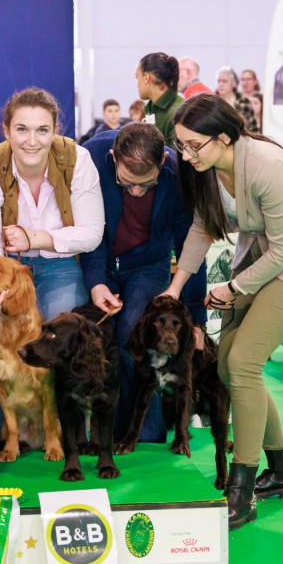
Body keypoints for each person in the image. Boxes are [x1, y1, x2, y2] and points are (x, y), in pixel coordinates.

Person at [163, 93, 283, 530]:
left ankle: (242, 490)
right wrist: (176, 287)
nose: (186, 154)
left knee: (242, 364)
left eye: (193, 145)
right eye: (180, 144)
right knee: (229, 367)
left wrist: (233, 287)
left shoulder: (269, 165)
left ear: (223, 137)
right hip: (258, 262)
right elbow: (202, 226)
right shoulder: (203, 167)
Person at [0, 86, 105, 435]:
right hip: (8, 269)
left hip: (60, 264)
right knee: (4, 349)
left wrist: (36, 238)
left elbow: (92, 233)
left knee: (60, 346)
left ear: (55, 129)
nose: (32, 141)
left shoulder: (77, 159)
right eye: (22, 129)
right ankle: (1, 438)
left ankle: (68, 437)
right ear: (6, 130)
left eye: (42, 130)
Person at [81, 122, 207, 442]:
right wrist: (96, 281)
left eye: (146, 184)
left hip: (148, 265)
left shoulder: (179, 174)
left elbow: (191, 246)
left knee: (135, 341)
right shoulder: (91, 156)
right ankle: (106, 435)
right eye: (126, 183)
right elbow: (88, 228)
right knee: (97, 347)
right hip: (99, 257)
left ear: (162, 162)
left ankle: (147, 436)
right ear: (113, 158)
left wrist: (197, 321)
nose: (136, 191)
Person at [135, 52, 183, 147]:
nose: (136, 83)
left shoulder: (178, 113)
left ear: (146, 77)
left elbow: (178, 155)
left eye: (137, 77)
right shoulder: (150, 109)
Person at [215, 66, 259, 134]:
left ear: (233, 83)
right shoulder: (213, 102)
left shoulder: (243, 101)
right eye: (219, 81)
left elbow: (253, 129)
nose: (221, 84)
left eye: (224, 81)